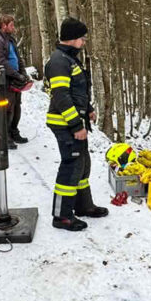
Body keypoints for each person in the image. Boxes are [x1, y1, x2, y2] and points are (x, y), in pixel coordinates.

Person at [44, 17, 107, 231]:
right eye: (82, 38)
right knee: (71, 166)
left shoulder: (70, 58)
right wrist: (76, 126)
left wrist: (87, 109)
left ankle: (83, 205)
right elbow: (61, 96)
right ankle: (61, 216)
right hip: (64, 123)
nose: (84, 42)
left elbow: (76, 90)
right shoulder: (59, 61)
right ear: (72, 39)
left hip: (74, 120)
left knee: (82, 164)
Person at [0, 14, 29, 147]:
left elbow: (17, 57)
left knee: (16, 107)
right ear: (3, 26)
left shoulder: (10, 39)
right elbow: (1, 62)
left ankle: (14, 132)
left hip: (15, 79)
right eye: (11, 25)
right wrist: (16, 75)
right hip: (4, 80)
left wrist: (23, 73)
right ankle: (5, 136)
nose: (13, 27)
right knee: (6, 109)